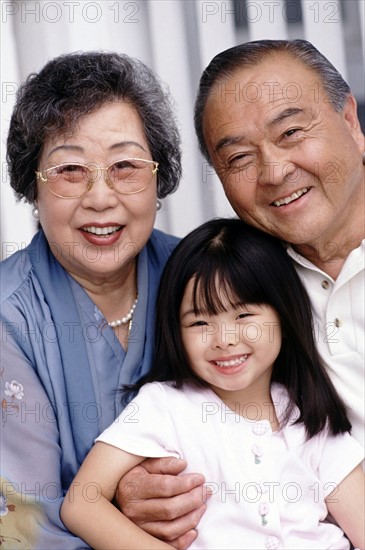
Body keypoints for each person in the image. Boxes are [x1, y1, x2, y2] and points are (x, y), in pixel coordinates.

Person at [117, 40, 364, 548]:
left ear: (350, 120)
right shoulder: (241, 292)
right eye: (239, 158)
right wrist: (140, 488)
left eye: (292, 132)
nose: (274, 172)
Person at [61, 218, 365, 550]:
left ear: (282, 312)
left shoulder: (310, 414)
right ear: (175, 329)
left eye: (243, 316)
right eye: (200, 322)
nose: (224, 339)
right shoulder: (164, 406)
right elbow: (82, 503)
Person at [0, 51, 186, 548]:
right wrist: (116, 506)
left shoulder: (206, 280)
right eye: (70, 171)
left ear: (158, 177)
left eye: (125, 165)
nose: (100, 198)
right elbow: (24, 524)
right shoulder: (7, 316)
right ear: (31, 188)